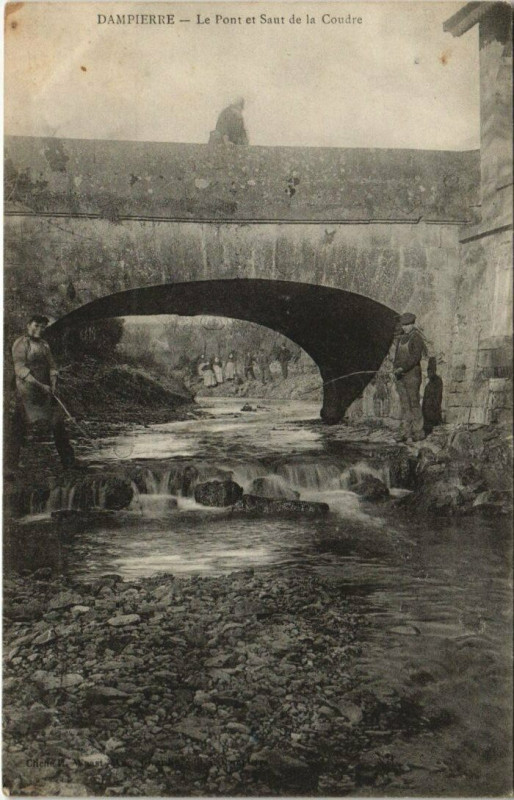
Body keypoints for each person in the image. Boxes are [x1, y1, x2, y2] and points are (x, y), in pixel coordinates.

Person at [7, 315, 76, 469]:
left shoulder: (45, 345)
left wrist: (52, 383)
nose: (39, 329)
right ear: (28, 325)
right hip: (26, 392)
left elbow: (52, 366)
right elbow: (20, 370)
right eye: (36, 325)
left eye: (43, 327)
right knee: (18, 427)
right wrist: (40, 385)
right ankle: (9, 466)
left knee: (58, 424)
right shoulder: (20, 344)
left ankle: (69, 462)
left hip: (45, 393)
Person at [393, 312, 426, 442]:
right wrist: (395, 368)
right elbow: (396, 358)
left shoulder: (417, 338)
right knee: (405, 405)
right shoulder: (401, 339)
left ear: (413, 324)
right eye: (403, 325)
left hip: (412, 376)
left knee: (414, 403)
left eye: (408, 325)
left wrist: (403, 368)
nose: (405, 327)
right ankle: (406, 433)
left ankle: (418, 432)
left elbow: (415, 357)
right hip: (400, 377)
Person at [422, 357, 443, 436]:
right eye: (428, 371)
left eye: (431, 371)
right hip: (427, 415)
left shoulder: (438, 381)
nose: (429, 373)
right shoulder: (428, 385)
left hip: (433, 412)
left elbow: (438, 399)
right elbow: (424, 402)